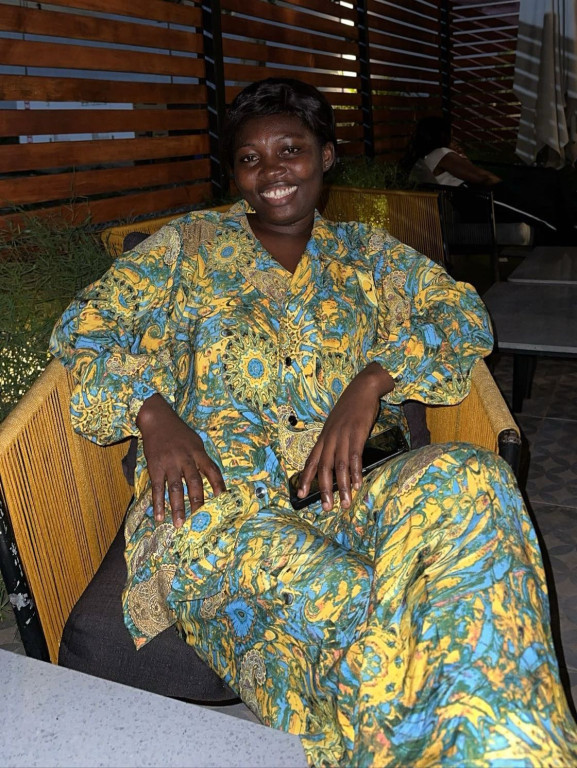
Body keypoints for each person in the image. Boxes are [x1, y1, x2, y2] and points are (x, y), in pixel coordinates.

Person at [50, 78, 577, 767]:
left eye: (290, 150)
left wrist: (371, 382)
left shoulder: (368, 254)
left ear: (325, 155)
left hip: (351, 490)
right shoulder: (186, 247)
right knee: (398, 631)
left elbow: (460, 315)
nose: (270, 171)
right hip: (216, 509)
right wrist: (153, 417)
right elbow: (84, 327)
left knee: (472, 478)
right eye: (249, 158)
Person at [404, 115, 563, 234]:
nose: (453, 136)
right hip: (476, 201)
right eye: (451, 133)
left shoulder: (430, 157)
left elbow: (469, 173)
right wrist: (506, 187)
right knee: (540, 197)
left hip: (471, 201)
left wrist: (461, 157)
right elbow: (481, 177)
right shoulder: (441, 153)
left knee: (544, 184)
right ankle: (564, 234)